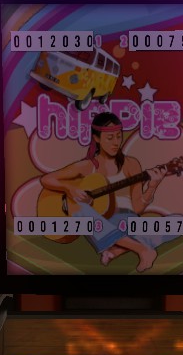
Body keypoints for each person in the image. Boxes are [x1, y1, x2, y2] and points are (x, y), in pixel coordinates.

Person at [39, 112, 171, 272]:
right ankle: (142, 249)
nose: (116, 142)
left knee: (177, 221)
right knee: (80, 211)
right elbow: (46, 179)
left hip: (127, 220)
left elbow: (137, 209)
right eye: (110, 138)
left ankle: (116, 249)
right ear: (96, 138)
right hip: (101, 220)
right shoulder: (87, 166)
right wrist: (70, 188)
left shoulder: (131, 164)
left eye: (119, 136)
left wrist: (152, 186)